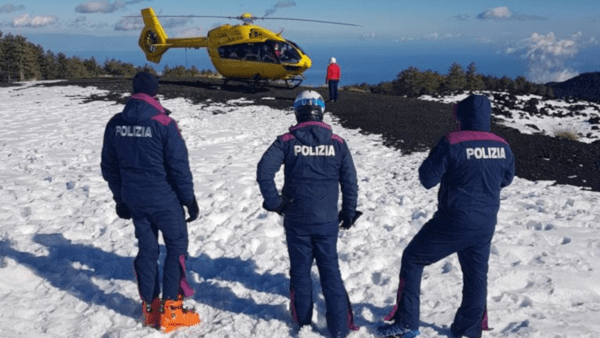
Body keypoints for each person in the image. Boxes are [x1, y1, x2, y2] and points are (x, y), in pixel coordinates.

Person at [376, 95, 515, 338]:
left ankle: (407, 322)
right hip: (485, 222)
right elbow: (506, 179)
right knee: (476, 276)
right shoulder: (502, 145)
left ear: (461, 115)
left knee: (413, 259)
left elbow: (427, 179)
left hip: (454, 220)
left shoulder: (452, 141)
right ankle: (469, 330)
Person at [101, 72, 201, 333]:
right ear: (155, 91)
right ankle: (172, 310)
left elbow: (109, 166)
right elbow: (179, 167)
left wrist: (119, 198)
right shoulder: (164, 123)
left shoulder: (115, 123)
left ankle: (150, 309)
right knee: (176, 246)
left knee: (147, 251)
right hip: (164, 198)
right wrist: (189, 200)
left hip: (134, 199)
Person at [257, 90, 362, 338]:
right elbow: (350, 182)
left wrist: (276, 203)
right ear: (321, 111)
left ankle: (303, 322)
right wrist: (348, 213)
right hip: (326, 220)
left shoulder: (286, 140)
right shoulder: (337, 142)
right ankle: (339, 328)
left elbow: (264, 171)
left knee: (300, 271)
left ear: (297, 111)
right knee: (330, 270)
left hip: (296, 218)